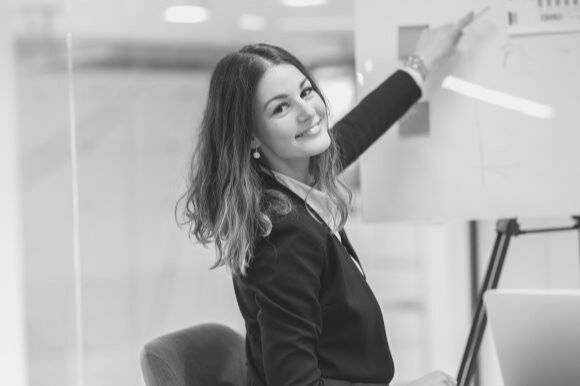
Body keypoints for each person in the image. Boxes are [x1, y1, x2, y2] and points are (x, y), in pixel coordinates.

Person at [177, 11, 475, 386]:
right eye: (280, 107)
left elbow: (360, 126)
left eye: (305, 91)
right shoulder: (284, 236)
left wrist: (421, 63)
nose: (308, 112)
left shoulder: (292, 182)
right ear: (251, 137)